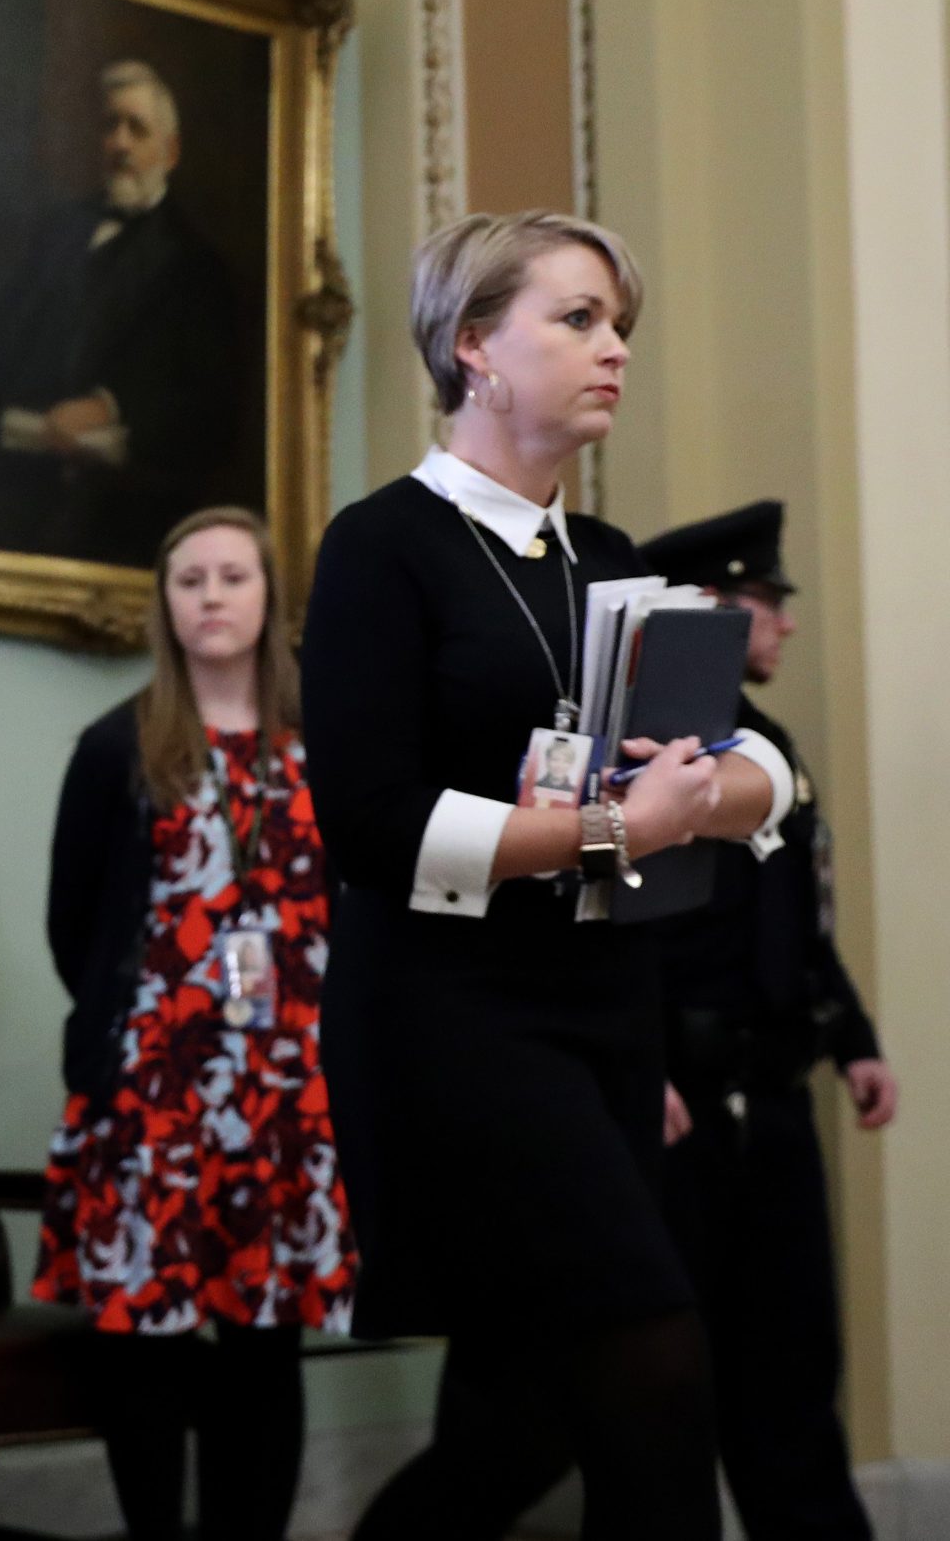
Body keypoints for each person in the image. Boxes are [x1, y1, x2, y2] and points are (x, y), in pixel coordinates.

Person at [298, 209, 797, 1540]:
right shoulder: (380, 545)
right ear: (475, 346)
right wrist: (617, 829)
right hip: (451, 1022)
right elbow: (370, 824)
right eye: (578, 318)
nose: (614, 347)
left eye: (619, 322)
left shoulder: (615, 561)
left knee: (522, 1413)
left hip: (602, 1014)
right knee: (653, 1363)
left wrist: (706, 792)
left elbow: (761, 772)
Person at [36, 506, 355, 1541]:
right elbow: (72, 922)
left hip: (288, 1097)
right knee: (146, 1339)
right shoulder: (116, 747)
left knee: (267, 1340)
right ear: (164, 607)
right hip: (153, 1092)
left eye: (231, 577)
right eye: (187, 581)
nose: (210, 597)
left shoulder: (330, 748)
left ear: (271, 599)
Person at [641, 499, 893, 1540]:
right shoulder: (654, 743)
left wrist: (852, 1038)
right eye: (764, 604)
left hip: (772, 1100)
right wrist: (633, 1063)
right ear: (707, 611)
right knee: (656, 1400)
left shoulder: (767, 743)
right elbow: (626, 933)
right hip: (681, 1112)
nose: (784, 625)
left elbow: (797, 918)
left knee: (790, 1377)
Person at [0, 59, 249, 566]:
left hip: (124, 513)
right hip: (19, 489)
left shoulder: (195, 266)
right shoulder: (58, 234)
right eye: (110, 126)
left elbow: (209, 409)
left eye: (136, 129)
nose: (119, 143)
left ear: (170, 150)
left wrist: (110, 406)